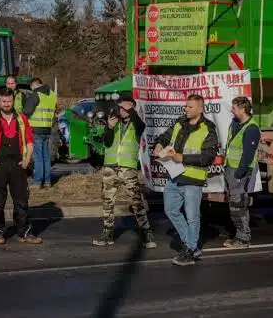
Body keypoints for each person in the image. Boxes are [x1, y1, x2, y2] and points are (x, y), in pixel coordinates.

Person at [154, 94, 219, 266]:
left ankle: (190, 249)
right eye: (186, 106)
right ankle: (190, 243)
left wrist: (184, 158)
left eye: (190, 107)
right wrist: (159, 144)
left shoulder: (208, 128)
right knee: (170, 210)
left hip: (193, 179)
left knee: (192, 217)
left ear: (200, 109)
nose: (186, 109)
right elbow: (165, 136)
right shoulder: (180, 122)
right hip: (174, 177)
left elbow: (208, 157)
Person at [0, 89, 42, 245]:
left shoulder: (21, 119)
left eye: (9, 101)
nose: (7, 104)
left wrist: (27, 160)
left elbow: (30, 141)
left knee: (21, 201)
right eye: (4, 101)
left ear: (13, 101)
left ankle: (24, 232)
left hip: (18, 165)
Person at [92, 96, 156, 249]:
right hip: (110, 167)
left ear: (132, 108)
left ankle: (146, 232)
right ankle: (107, 232)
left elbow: (141, 125)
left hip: (128, 169)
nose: (121, 110)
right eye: (120, 107)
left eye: (125, 108)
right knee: (107, 201)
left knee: (136, 201)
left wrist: (130, 109)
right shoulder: (114, 122)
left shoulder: (136, 124)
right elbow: (106, 142)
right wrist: (108, 127)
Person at [223, 96, 261, 249]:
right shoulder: (235, 124)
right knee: (234, 204)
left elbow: (248, 155)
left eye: (233, 108)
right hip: (230, 169)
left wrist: (239, 174)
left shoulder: (251, 128)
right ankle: (238, 234)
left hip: (239, 172)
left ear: (242, 109)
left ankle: (243, 238)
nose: (231, 111)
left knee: (238, 205)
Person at [23, 77, 58, 188]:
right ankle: (47, 182)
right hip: (47, 129)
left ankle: (38, 182)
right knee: (45, 156)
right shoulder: (52, 94)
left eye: (31, 87)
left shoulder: (35, 94)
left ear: (34, 85)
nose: (32, 89)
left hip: (36, 129)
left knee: (38, 157)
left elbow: (27, 111)